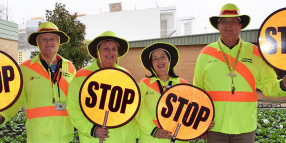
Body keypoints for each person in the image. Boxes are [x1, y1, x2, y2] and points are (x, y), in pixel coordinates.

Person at [193, 3, 286, 143]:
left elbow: (269, 85)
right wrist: (200, 122)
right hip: (214, 127)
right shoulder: (205, 54)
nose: (228, 25)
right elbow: (197, 93)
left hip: (246, 128)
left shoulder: (255, 53)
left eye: (233, 21)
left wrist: (283, 85)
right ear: (218, 26)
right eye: (224, 21)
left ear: (240, 25)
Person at [0, 22, 76, 142]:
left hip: (64, 137)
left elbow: (76, 100)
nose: (48, 42)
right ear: (38, 43)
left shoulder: (70, 67)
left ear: (58, 42)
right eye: (44, 39)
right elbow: (17, 98)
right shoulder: (25, 68)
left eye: (52, 39)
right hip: (38, 137)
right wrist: (2, 115)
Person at [66, 31, 137, 142]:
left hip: (123, 138)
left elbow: (133, 107)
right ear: (97, 51)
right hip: (95, 139)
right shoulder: (82, 76)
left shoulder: (126, 75)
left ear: (118, 53)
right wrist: (92, 129)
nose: (110, 52)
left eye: (114, 49)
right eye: (106, 48)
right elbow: (73, 108)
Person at [136, 42, 213, 143]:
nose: (159, 61)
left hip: (178, 140)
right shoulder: (142, 85)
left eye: (163, 57)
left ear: (169, 60)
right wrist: (153, 130)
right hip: (151, 139)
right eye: (155, 58)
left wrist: (204, 124)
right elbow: (138, 110)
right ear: (151, 64)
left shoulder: (183, 84)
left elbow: (193, 111)